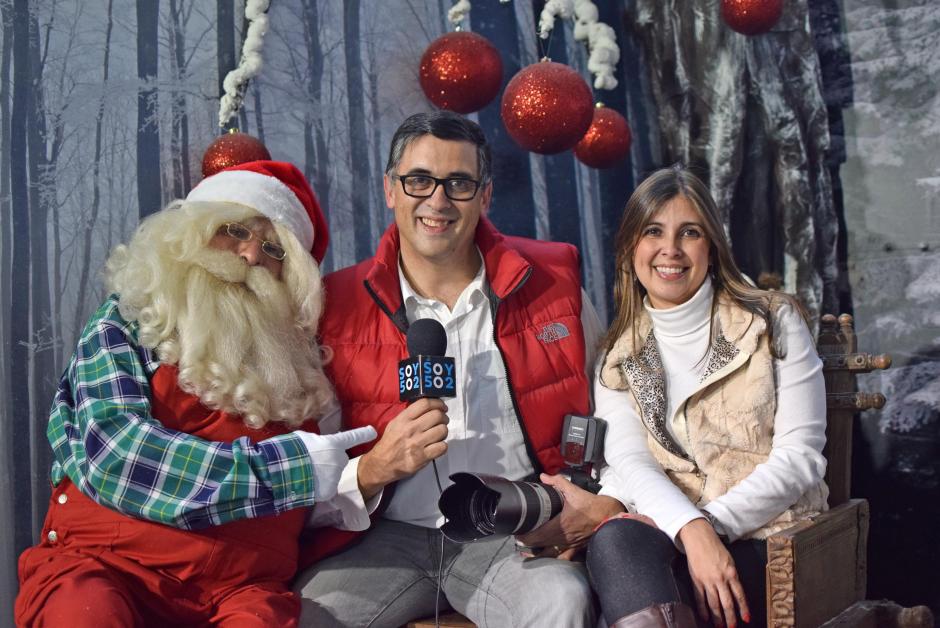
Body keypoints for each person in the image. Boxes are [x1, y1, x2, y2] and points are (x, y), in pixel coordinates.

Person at [14, 160, 401, 626]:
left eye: (273, 249)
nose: (252, 256)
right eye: (235, 231)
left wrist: (366, 474)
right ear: (191, 235)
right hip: (110, 569)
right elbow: (114, 454)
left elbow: (312, 495)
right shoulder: (130, 323)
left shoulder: (301, 370)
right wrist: (290, 472)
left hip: (239, 592)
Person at [294, 110, 625, 627]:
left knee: (562, 601)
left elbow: (615, 410)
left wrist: (602, 499)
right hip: (385, 537)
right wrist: (376, 466)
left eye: (459, 183)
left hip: (509, 529)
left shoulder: (554, 285)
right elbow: (307, 465)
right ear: (390, 190)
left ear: (485, 196)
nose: (438, 201)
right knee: (301, 617)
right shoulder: (334, 306)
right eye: (419, 180)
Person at [586, 165, 828, 628]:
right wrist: (691, 531)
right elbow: (630, 462)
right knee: (616, 543)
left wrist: (711, 527)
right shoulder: (617, 355)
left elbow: (800, 457)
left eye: (689, 232)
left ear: (712, 246)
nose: (670, 250)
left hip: (769, 537)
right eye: (653, 231)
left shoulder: (770, 321)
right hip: (674, 534)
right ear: (631, 248)